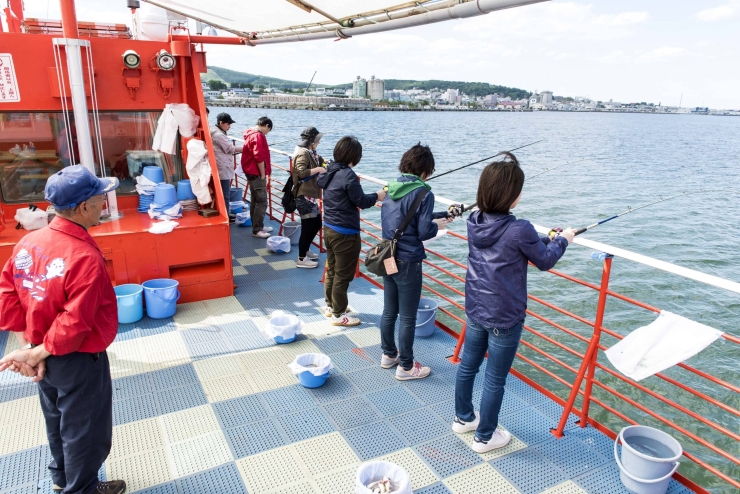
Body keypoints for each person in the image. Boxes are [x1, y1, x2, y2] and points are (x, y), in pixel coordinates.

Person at [0, 166, 126, 494]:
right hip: (78, 359)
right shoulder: (85, 256)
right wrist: (37, 351)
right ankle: (81, 489)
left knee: (57, 420)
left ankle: (61, 480)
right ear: (84, 207)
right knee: (85, 431)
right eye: (100, 197)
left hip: (44, 353)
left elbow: (8, 295)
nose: (104, 201)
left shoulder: (29, 242)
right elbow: (75, 321)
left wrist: (31, 348)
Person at [452, 153, 575, 453]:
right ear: (512, 196)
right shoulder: (519, 228)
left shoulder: (474, 220)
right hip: (504, 316)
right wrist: (564, 239)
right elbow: (544, 261)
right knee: (495, 378)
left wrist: (546, 239)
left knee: (468, 365)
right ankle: (484, 437)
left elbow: (521, 245)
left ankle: (463, 418)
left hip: (476, 306)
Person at [379, 143, 452, 380]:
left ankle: (389, 354)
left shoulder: (392, 188)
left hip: (388, 255)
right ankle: (407, 367)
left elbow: (404, 217)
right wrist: (435, 226)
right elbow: (422, 231)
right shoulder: (424, 193)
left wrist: (439, 216)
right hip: (409, 261)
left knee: (390, 311)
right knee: (408, 317)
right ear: (425, 170)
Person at [318, 136, 386, 326]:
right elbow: (362, 201)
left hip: (329, 228)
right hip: (345, 233)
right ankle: (339, 315)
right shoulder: (348, 175)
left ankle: (331, 306)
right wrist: (379, 195)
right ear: (354, 156)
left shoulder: (330, 171)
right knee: (343, 274)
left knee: (332, 269)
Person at [291, 127, 326, 268]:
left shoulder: (312, 153)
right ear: (311, 141)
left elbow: (321, 162)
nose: (318, 143)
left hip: (310, 195)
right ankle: (301, 258)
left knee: (317, 224)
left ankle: (305, 250)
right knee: (307, 228)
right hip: (304, 196)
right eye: (317, 141)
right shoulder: (303, 154)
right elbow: (300, 172)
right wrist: (318, 169)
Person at [241, 117, 274, 238]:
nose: (267, 132)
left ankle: (257, 224)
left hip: (250, 171)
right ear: (266, 125)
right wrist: (262, 173)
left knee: (255, 199)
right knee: (261, 200)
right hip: (255, 172)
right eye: (268, 130)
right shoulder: (258, 136)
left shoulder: (250, 134)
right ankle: (257, 229)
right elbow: (258, 156)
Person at [210, 112, 241, 222]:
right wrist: (246, 148)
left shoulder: (214, 131)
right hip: (222, 166)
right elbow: (229, 148)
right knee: (225, 193)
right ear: (221, 123)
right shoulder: (219, 135)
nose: (229, 126)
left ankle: (225, 212)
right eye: (228, 124)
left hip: (219, 165)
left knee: (223, 192)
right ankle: (226, 215)